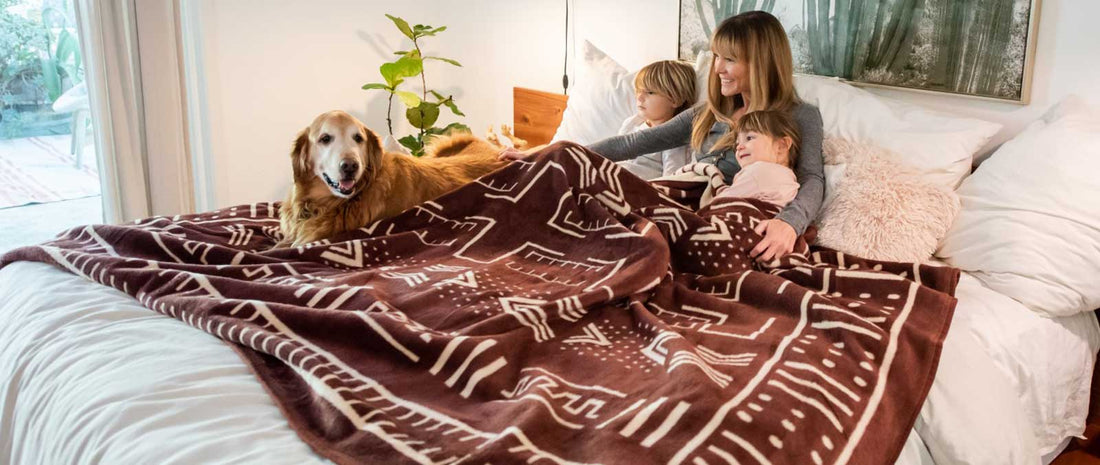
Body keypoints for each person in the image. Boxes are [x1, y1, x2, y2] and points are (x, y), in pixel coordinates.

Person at [501, 11, 824, 263]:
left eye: (729, 59)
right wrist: (561, 153)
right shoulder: (709, 112)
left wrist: (789, 224)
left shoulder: (799, 116)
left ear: (761, 62)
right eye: (715, 57)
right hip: (679, 201)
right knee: (561, 175)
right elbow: (632, 144)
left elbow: (812, 179)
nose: (717, 69)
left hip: (718, 215)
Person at [616, 60, 696, 179]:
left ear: (675, 100)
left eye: (650, 92)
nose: (639, 97)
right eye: (638, 91)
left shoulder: (672, 138)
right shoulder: (632, 123)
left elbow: (670, 178)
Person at [710, 110, 801, 208]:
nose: (738, 147)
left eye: (749, 138)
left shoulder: (760, 171)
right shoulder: (788, 178)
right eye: (737, 143)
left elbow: (720, 202)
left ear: (781, 146)